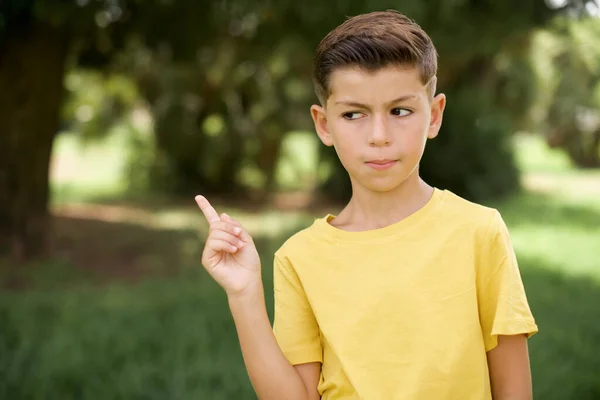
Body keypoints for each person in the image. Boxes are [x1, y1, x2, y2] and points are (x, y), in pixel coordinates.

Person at [195, 9, 538, 400]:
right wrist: (244, 295)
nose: (379, 136)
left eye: (400, 111)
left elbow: (514, 391)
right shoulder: (299, 258)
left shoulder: (480, 232)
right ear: (324, 124)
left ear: (434, 115)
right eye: (354, 114)